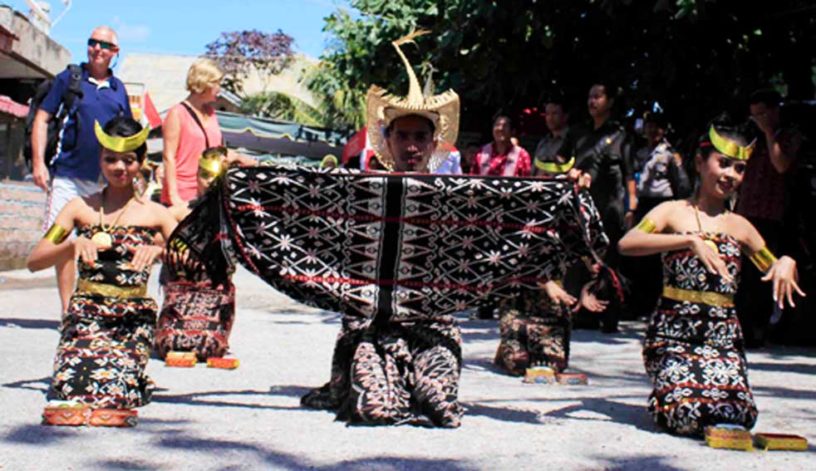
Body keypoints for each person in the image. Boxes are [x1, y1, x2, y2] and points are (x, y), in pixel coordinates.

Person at [618, 119, 804, 436]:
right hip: (674, 335)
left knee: (738, 415)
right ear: (700, 163)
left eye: (739, 169)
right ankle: (668, 392)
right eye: (724, 164)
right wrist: (688, 241)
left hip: (721, 338)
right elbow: (628, 243)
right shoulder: (671, 212)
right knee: (686, 414)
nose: (731, 175)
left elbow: (772, 268)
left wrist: (787, 262)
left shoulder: (740, 226)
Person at [27, 117, 176, 426]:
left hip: (130, 320)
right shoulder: (79, 208)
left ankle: (131, 377)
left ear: (141, 162)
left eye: (128, 160)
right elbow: (36, 260)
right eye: (111, 159)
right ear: (100, 160)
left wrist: (160, 252)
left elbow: (195, 260)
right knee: (71, 386)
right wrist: (72, 245)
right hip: (86, 317)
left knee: (113, 388)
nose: (119, 167)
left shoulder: (156, 214)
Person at [30, 26, 132, 314]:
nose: (97, 48)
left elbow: (125, 137)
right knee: (61, 240)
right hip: (66, 178)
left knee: (103, 244)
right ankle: (68, 310)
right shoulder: (69, 79)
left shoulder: (119, 90)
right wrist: (38, 163)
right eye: (92, 42)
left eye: (104, 45)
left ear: (115, 52)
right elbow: (42, 119)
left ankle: (94, 303)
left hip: (102, 183)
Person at [495, 155, 609, 376]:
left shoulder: (579, 205)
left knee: (552, 364)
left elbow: (594, 251)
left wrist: (589, 287)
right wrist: (544, 282)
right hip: (518, 294)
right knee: (517, 364)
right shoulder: (521, 206)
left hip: (554, 302)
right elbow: (509, 258)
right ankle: (508, 346)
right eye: (546, 176)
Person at [156, 147, 256, 362]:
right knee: (168, 345)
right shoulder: (178, 213)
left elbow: (267, 181)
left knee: (209, 347)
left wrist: (239, 157)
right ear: (196, 175)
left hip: (215, 293)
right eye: (205, 175)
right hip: (179, 292)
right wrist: (165, 252)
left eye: (217, 177)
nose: (210, 182)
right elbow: (148, 241)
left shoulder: (235, 217)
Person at [558, 80, 633, 333]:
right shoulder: (577, 132)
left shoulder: (621, 135)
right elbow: (561, 160)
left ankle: (609, 315)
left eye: (598, 96)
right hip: (580, 206)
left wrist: (631, 208)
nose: (592, 101)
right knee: (579, 258)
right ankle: (580, 313)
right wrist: (570, 171)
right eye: (590, 96)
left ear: (609, 101)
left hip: (610, 207)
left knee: (608, 261)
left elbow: (630, 174)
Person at [736, 89, 802, 347]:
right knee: (744, 274)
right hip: (746, 212)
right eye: (754, 116)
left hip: (772, 214)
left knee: (764, 272)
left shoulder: (787, 136)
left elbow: (781, 165)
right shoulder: (752, 138)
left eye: (762, 114)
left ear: (774, 111)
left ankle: (761, 327)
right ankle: (742, 328)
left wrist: (769, 133)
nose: (758, 120)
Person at [625, 111, 691, 318]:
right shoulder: (640, 151)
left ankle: (655, 304)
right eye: (649, 126)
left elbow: (681, 183)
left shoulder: (670, 153)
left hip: (661, 203)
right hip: (643, 203)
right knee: (640, 255)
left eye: (657, 126)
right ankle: (638, 304)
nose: (652, 130)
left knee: (656, 258)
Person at [162, 58, 225, 207]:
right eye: (217, 83)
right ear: (204, 83)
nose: (220, 89)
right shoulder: (177, 113)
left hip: (209, 190)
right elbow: (168, 157)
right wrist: (174, 196)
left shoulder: (211, 114)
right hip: (184, 193)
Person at [532, 97, 570, 176]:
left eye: (554, 113)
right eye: (547, 114)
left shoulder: (572, 141)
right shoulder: (543, 143)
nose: (550, 118)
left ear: (565, 116)